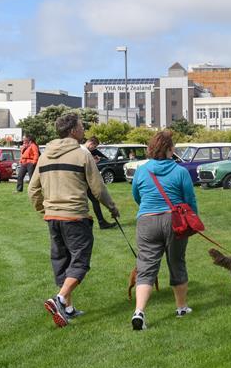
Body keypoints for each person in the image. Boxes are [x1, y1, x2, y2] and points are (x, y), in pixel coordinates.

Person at [29, 113, 120, 328]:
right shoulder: (83, 154)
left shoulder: (44, 156)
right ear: (72, 131)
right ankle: (59, 300)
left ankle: (68, 309)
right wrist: (112, 208)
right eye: (81, 126)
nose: (83, 129)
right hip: (75, 216)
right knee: (80, 262)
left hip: (53, 217)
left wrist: (44, 211)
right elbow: (98, 188)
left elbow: (33, 190)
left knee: (62, 262)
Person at [130, 130, 197, 330]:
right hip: (174, 220)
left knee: (146, 267)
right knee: (177, 262)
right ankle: (181, 307)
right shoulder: (180, 171)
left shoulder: (141, 170)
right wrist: (193, 219)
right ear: (170, 149)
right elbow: (190, 200)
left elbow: (137, 196)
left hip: (146, 221)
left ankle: (139, 312)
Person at [81, 136, 116, 230]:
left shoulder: (82, 150)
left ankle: (101, 222)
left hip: (83, 180)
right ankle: (100, 222)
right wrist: (94, 161)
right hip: (85, 181)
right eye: (94, 147)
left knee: (94, 200)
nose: (94, 149)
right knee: (93, 200)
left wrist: (93, 160)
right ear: (91, 143)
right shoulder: (85, 151)